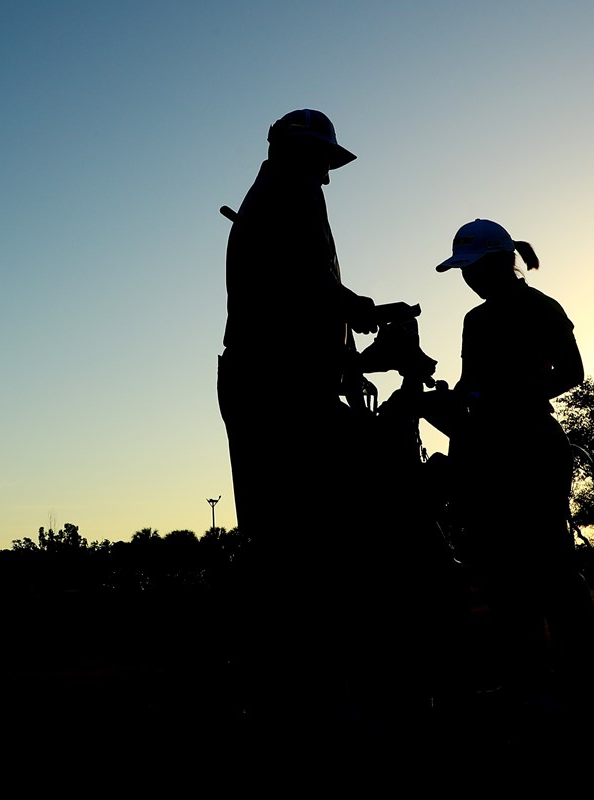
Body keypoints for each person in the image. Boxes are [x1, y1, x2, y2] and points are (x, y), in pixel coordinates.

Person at [216, 108, 382, 724]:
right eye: (321, 163)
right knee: (289, 539)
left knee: (312, 536)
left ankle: (305, 678)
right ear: (292, 154)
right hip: (270, 388)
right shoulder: (279, 200)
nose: (328, 176)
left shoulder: (295, 196)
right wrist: (359, 309)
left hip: (295, 383)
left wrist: (346, 354)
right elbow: (301, 284)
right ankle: (286, 686)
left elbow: (310, 290)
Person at [428, 219, 594, 713]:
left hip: (533, 446)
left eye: (472, 268)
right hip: (487, 450)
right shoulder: (475, 321)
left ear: (496, 263)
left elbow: (572, 373)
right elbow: (469, 385)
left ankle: (582, 688)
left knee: (552, 566)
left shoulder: (542, 308)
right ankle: (525, 679)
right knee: (502, 572)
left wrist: (511, 397)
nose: (468, 279)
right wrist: (455, 402)